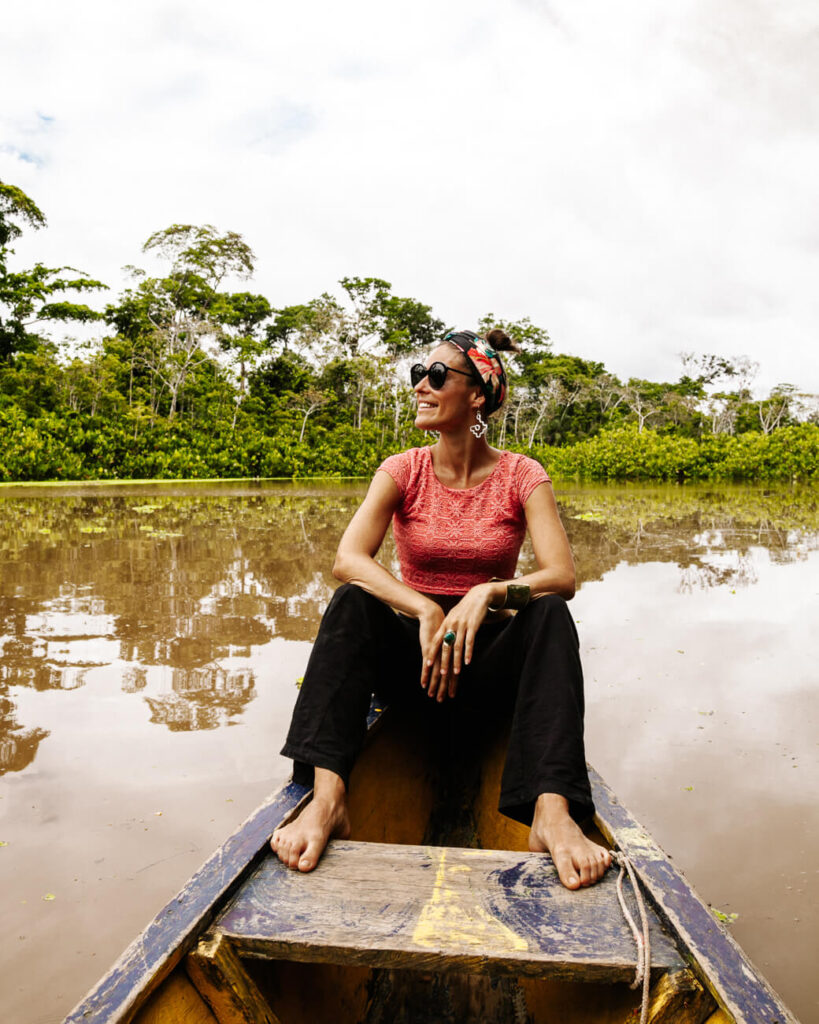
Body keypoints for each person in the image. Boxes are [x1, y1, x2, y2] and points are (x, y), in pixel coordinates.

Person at [271, 328, 611, 890]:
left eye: (435, 376)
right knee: (351, 603)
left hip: (487, 668)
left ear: (478, 395)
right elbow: (348, 559)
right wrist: (424, 609)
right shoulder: (403, 470)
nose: (420, 388)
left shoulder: (522, 475)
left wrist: (490, 592)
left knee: (550, 614)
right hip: (419, 666)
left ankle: (552, 812)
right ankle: (328, 796)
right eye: (417, 376)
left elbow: (562, 577)